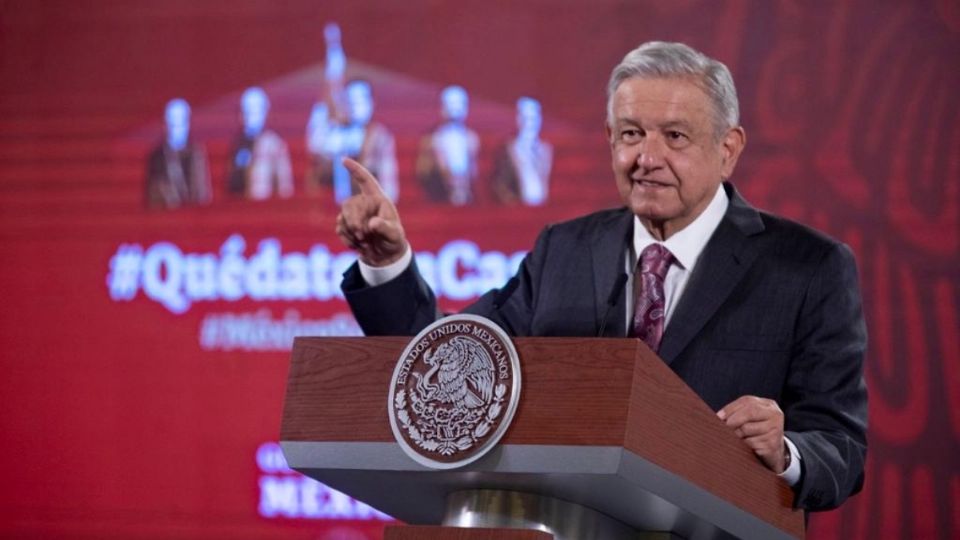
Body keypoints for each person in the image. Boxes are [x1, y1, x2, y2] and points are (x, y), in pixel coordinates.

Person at [334, 41, 867, 512]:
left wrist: (786, 452)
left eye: (675, 136)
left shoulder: (807, 267)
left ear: (727, 150)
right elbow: (445, 367)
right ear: (611, 138)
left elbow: (841, 448)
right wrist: (387, 263)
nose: (647, 158)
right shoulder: (562, 250)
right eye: (631, 134)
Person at [416, 85, 480, 205]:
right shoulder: (430, 140)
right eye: (450, 104)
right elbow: (422, 172)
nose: (454, 109)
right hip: (439, 200)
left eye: (458, 104)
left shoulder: (472, 139)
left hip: (468, 201)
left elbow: (474, 173)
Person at [227, 87, 294, 200]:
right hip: (243, 200)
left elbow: (284, 184)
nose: (252, 116)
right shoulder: (239, 144)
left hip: (266, 202)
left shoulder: (274, 143)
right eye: (248, 111)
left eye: (257, 110)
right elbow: (233, 178)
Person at [145, 98, 211, 209]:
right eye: (173, 123)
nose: (177, 129)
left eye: (181, 123)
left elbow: (202, 191)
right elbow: (152, 193)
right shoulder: (157, 156)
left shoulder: (195, 153)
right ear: (165, 124)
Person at [492, 97, 553, 206]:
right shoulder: (509, 149)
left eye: (532, 119)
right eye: (525, 118)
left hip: (543, 208)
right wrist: (512, 203)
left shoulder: (545, 150)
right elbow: (499, 184)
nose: (529, 124)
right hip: (518, 209)